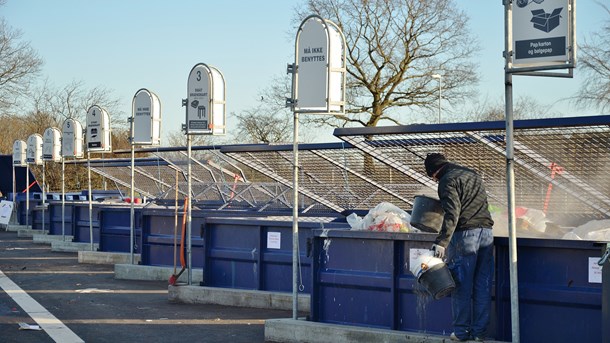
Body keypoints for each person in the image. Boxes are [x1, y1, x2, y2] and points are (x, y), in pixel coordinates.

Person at [424, 153, 494, 342]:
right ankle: (480, 333)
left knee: (462, 285)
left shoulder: (446, 181)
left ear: (433, 173)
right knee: (482, 286)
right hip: (487, 233)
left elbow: (452, 213)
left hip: (466, 236)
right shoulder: (471, 173)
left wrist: (442, 242)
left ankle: (461, 333)